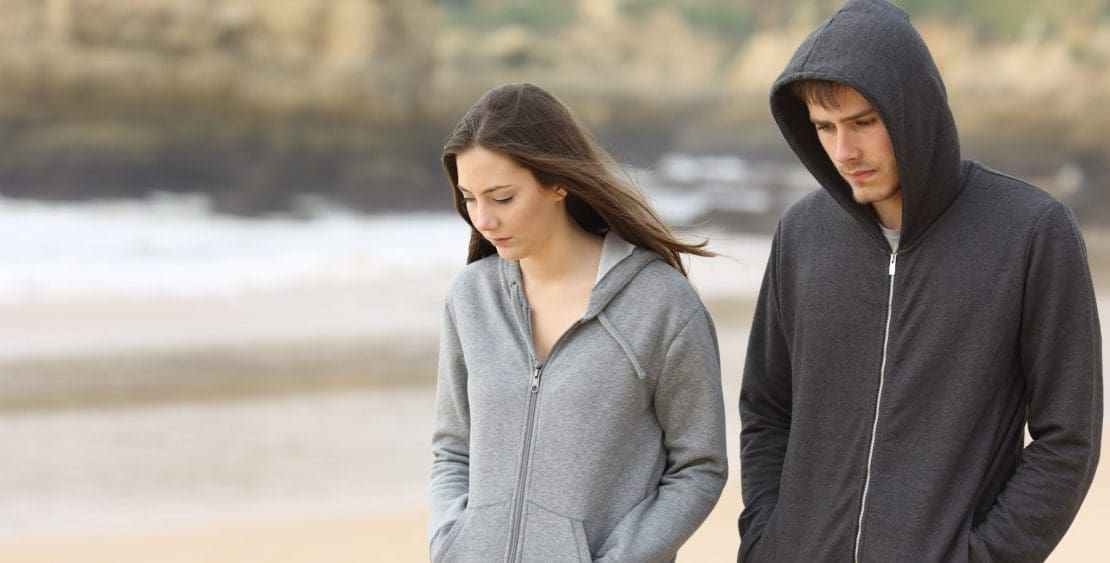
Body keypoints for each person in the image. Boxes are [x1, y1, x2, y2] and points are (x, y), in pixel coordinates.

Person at [738, 1, 1102, 561]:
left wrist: (986, 555)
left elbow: (1068, 436)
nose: (844, 152)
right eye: (824, 127)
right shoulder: (802, 234)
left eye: (863, 122)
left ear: (914, 111)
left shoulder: (1030, 232)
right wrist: (767, 542)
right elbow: (766, 410)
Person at [428, 82, 727, 563]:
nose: (482, 219)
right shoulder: (470, 298)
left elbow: (699, 467)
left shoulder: (661, 306)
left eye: (502, 197)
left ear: (557, 182)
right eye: (469, 198)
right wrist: (449, 544)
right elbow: (453, 449)